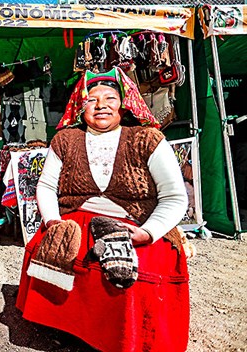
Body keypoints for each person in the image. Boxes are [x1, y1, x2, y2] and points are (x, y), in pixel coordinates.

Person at [16, 67, 190, 352]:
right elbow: (46, 187)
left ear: (124, 104)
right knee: (56, 251)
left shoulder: (146, 139)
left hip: (136, 223)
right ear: (79, 107)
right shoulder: (65, 140)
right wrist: (54, 223)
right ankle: (65, 326)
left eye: (109, 98)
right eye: (91, 100)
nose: (100, 105)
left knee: (136, 272)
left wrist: (147, 233)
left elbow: (174, 197)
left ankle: (125, 337)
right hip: (76, 219)